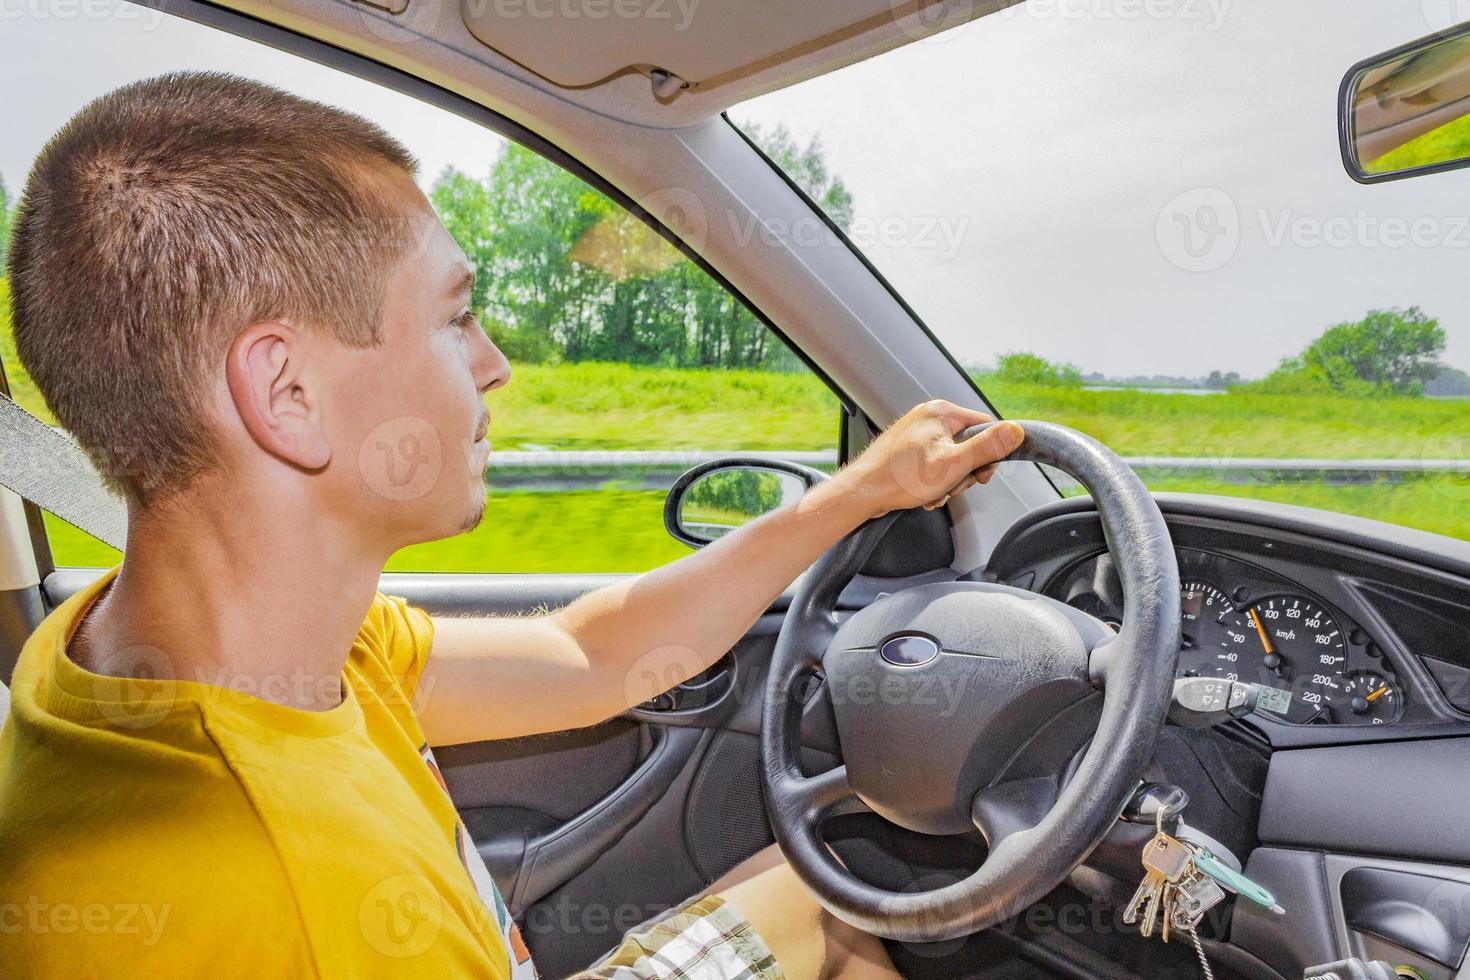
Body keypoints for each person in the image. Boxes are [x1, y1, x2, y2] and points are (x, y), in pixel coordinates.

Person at [0, 71, 1025, 978]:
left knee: (817, 894)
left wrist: (855, 492)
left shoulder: (176, 646)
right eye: (456, 316)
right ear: (289, 393)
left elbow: (589, 651)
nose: (494, 364)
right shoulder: (293, 897)